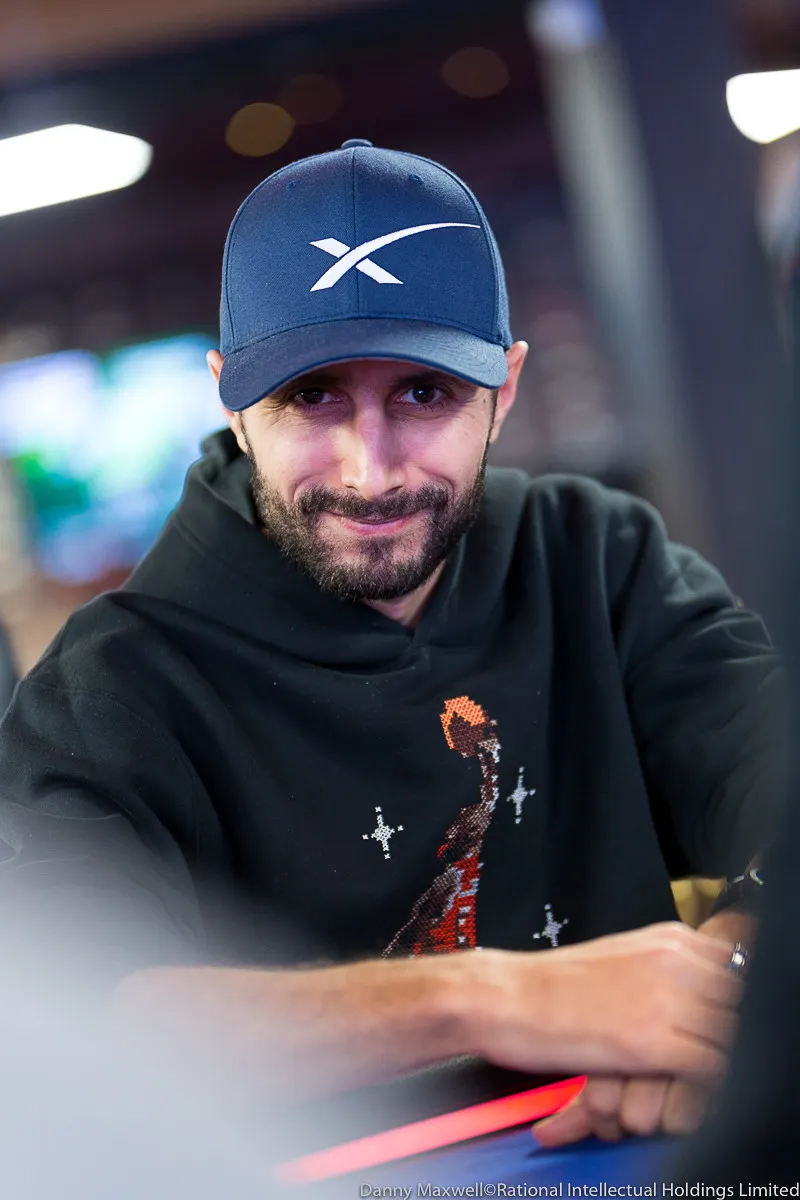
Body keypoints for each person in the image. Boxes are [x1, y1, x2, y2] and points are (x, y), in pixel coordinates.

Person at [0, 140, 784, 1138]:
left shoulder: (595, 557)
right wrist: (489, 998)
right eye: (311, 396)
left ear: (503, 390)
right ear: (231, 402)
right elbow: (77, 1026)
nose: (369, 474)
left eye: (424, 393)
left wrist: (728, 986)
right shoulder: (106, 691)